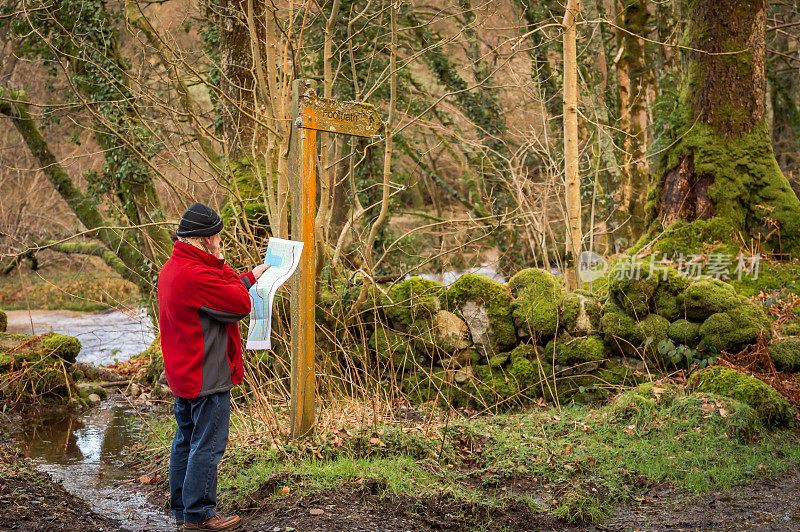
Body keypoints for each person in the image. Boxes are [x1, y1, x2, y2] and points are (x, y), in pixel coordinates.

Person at [158, 203, 269, 531]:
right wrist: (227, 269)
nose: (220, 241)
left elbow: (221, 291)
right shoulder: (196, 273)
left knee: (186, 440)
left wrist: (249, 277)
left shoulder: (174, 267)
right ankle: (201, 515)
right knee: (208, 444)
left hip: (184, 374)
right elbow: (238, 304)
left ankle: (183, 510)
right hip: (206, 375)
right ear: (205, 239)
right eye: (217, 236)